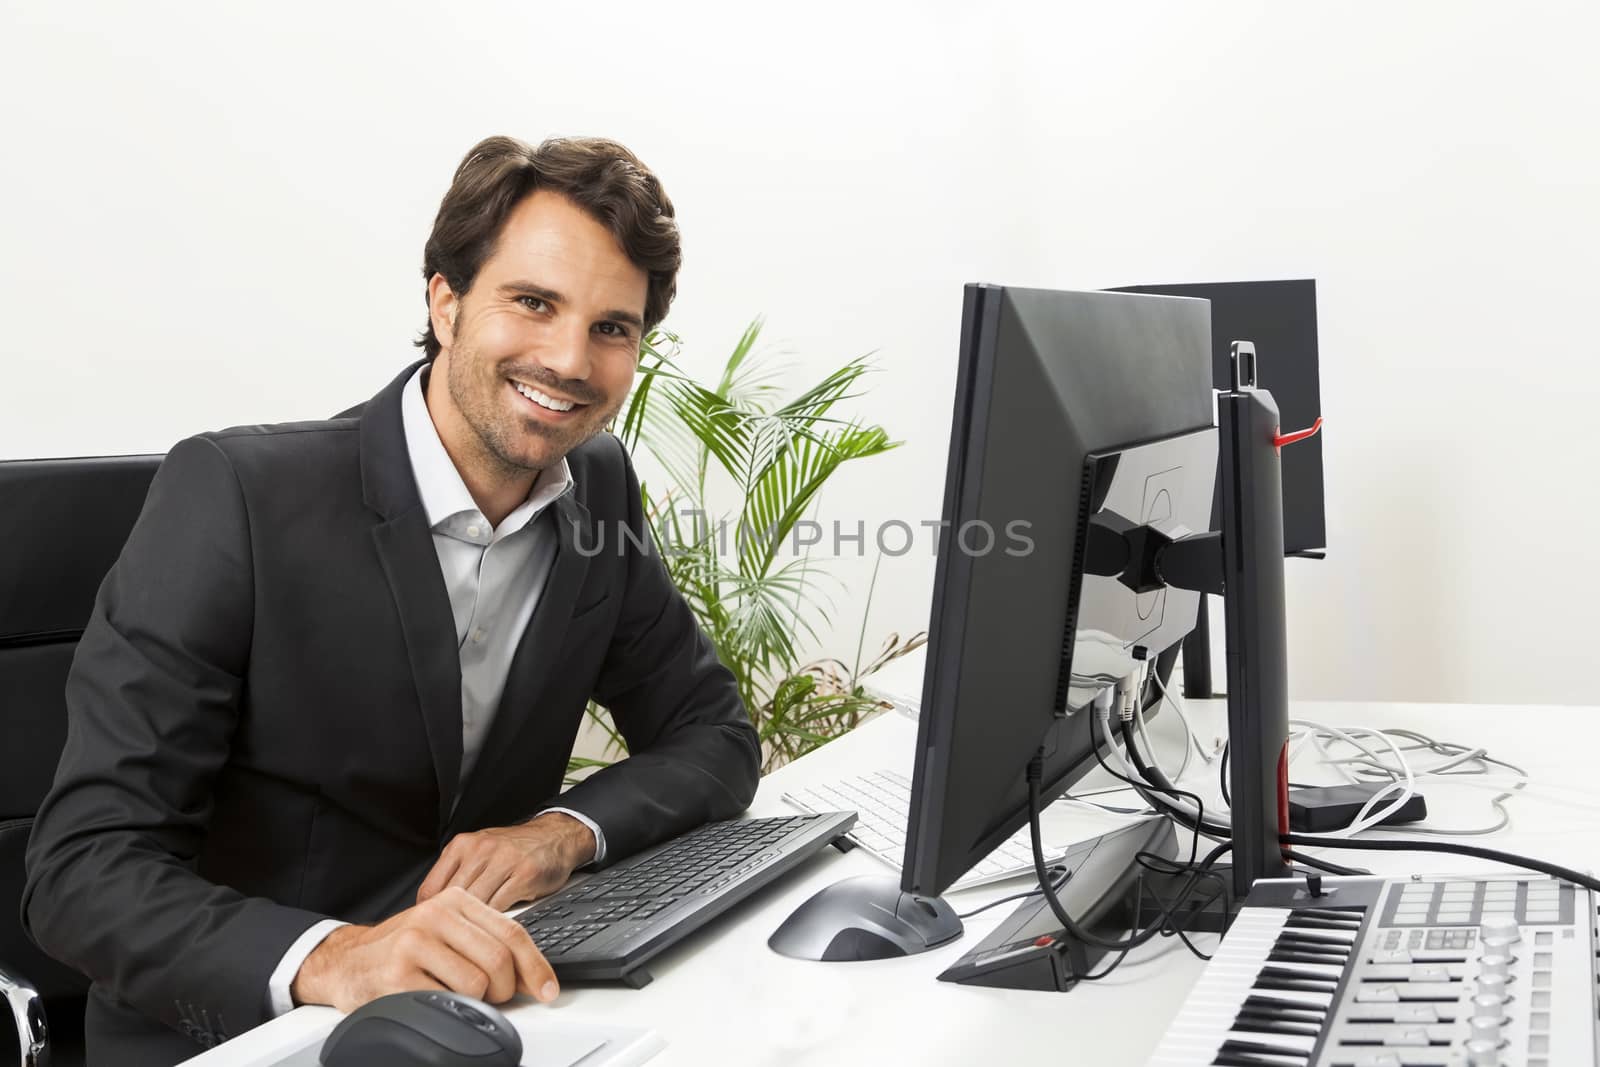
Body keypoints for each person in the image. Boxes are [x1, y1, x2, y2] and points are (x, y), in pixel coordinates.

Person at [23, 135, 761, 1065]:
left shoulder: (597, 487)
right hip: (257, 1032)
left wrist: (560, 833)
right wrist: (337, 955)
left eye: (613, 327)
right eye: (533, 302)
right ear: (445, 300)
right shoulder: (238, 496)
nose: (571, 359)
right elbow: (82, 871)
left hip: (484, 1012)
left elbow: (716, 736)